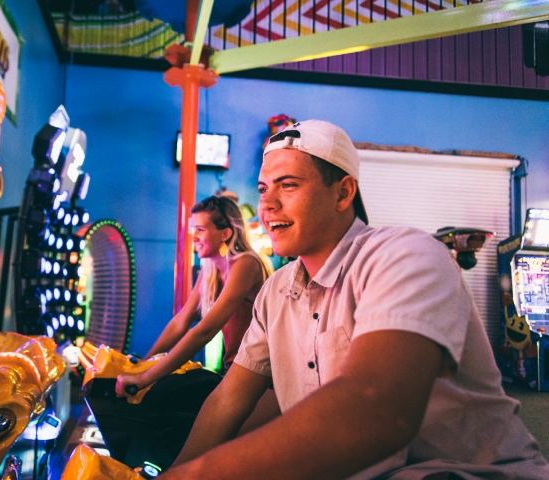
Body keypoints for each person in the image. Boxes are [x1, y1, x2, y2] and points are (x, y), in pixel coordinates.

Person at [163, 120, 549, 479]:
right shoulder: (277, 291)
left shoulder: (404, 254)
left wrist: (194, 476)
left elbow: (377, 410)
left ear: (344, 192)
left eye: (289, 185)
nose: (267, 205)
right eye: (264, 189)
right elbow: (229, 400)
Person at [115, 195, 273, 397]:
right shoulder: (211, 271)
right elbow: (180, 322)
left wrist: (146, 378)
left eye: (200, 230)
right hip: (236, 370)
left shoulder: (246, 264)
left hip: (262, 376)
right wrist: (143, 366)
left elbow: (205, 330)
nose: (194, 237)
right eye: (193, 230)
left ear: (225, 233)